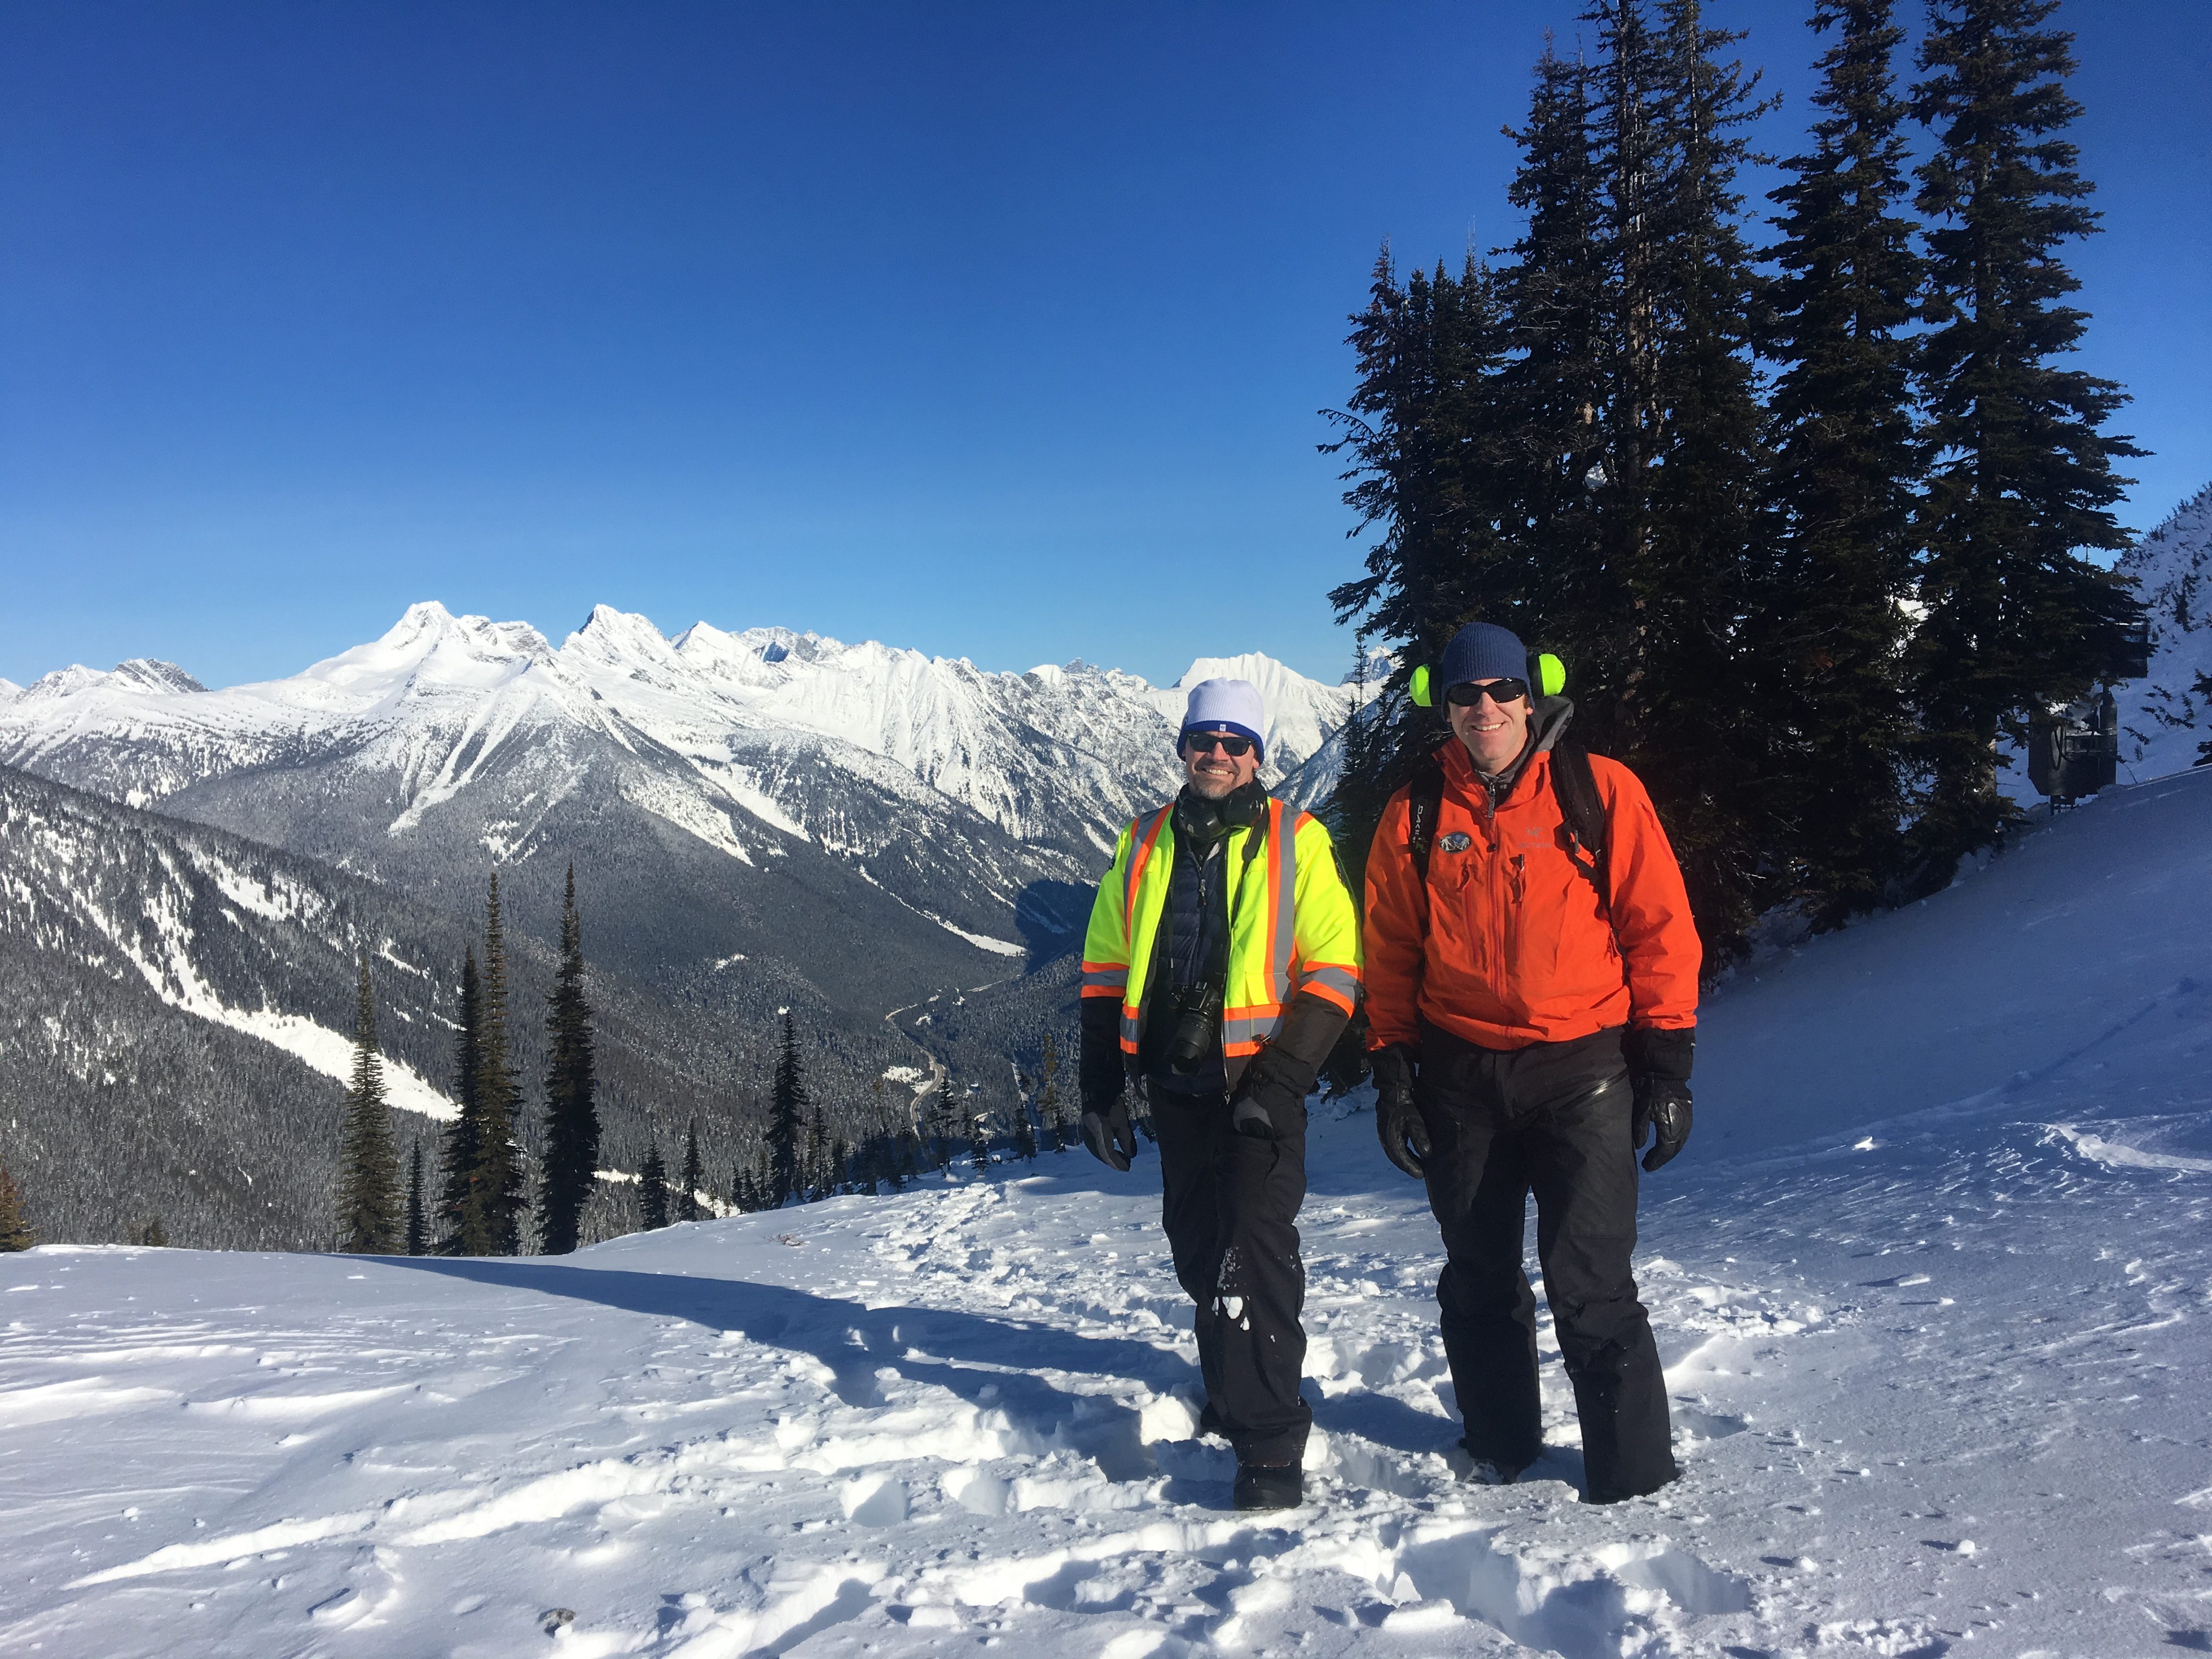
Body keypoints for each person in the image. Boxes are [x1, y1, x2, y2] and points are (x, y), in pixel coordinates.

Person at [1362, 622, 1700, 1504]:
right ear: (1443, 704)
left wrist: (1666, 1065)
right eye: (1466, 694)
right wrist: (1395, 1072)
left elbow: (1659, 925)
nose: (1486, 709)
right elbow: (1390, 952)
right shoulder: (1416, 812)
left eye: (1502, 691)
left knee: (1590, 1282)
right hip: (1460, 1077)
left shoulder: (1599, 791)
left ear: (1534, 692)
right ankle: (1500, 1455)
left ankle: (1633, 1485)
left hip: (1579, 1072)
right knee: (1478, 1275)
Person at [1077, 677, 1362, 1511]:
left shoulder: (1295, 840)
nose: (1218, 756)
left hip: (1258, 1087)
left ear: (1257, 756)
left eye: (1237, 744)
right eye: (1205, 741)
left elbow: (1337, 967)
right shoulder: (1142, 841)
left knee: (1255, 1254)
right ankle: (1231, 1390)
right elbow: (1102, 969)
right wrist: (1102, 1090)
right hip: (1176, 1084)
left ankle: (1270, 1443)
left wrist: (1281, 1079)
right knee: (1199, 1248)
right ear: (1183, 748)